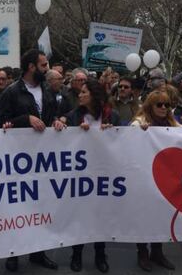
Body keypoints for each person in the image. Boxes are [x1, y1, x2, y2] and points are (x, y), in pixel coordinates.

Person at [0, 49, 58, 272]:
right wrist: (26, 119)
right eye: (43, 65)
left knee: (41, 205)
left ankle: (38, 252)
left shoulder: (48, 91)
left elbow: (52, 118)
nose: (47, 68)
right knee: (17, 206)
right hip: (18, 159)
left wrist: (58, 122)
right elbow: (2, 122)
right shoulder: (12, 92)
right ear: (31, 67)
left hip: (43, 160)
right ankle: (14, 252)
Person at [131, 90, 182, 272]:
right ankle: (142, 252)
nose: (163, 108)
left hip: (165, 179)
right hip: (143, 178)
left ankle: (157, 252)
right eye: (159, 104)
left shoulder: (172, 124)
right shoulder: (139, 123)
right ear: (150, 106)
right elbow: (128, 142)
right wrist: (138, 133)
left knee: (161, 214)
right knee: (143, 216)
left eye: (167, 105)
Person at [64, 78, 119, 274]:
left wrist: (112, 132)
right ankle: (76, 254)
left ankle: (100, 254)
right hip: (80, 176)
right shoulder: (73, 116)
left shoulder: (112, 115)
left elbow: (125, 139)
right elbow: (62, 140)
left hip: (104, 175)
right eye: (79, 92)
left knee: (100, 215)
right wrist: (71, 130)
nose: (79, 95)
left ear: (94, 95)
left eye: (84, 92)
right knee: (79, 215)